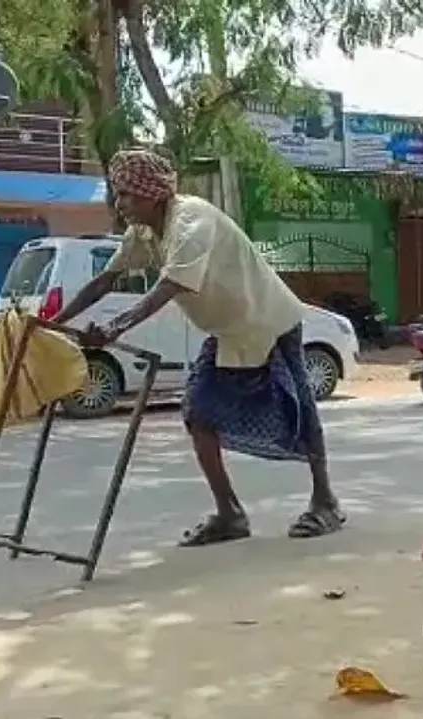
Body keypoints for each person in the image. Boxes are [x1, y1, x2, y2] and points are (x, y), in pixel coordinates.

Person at [52, 149, 345, 546]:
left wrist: (114, 326)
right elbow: (107, 279)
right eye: (117, 195)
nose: (120, 204)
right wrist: (52, 323)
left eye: (127, 195)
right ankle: (230, 513)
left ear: (152, 193)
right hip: (227, 332)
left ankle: (326, 501)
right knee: (198, 412)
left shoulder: (191, 220)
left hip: (269, 320)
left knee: (299, 407)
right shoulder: (143, 233)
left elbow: (171, 285)